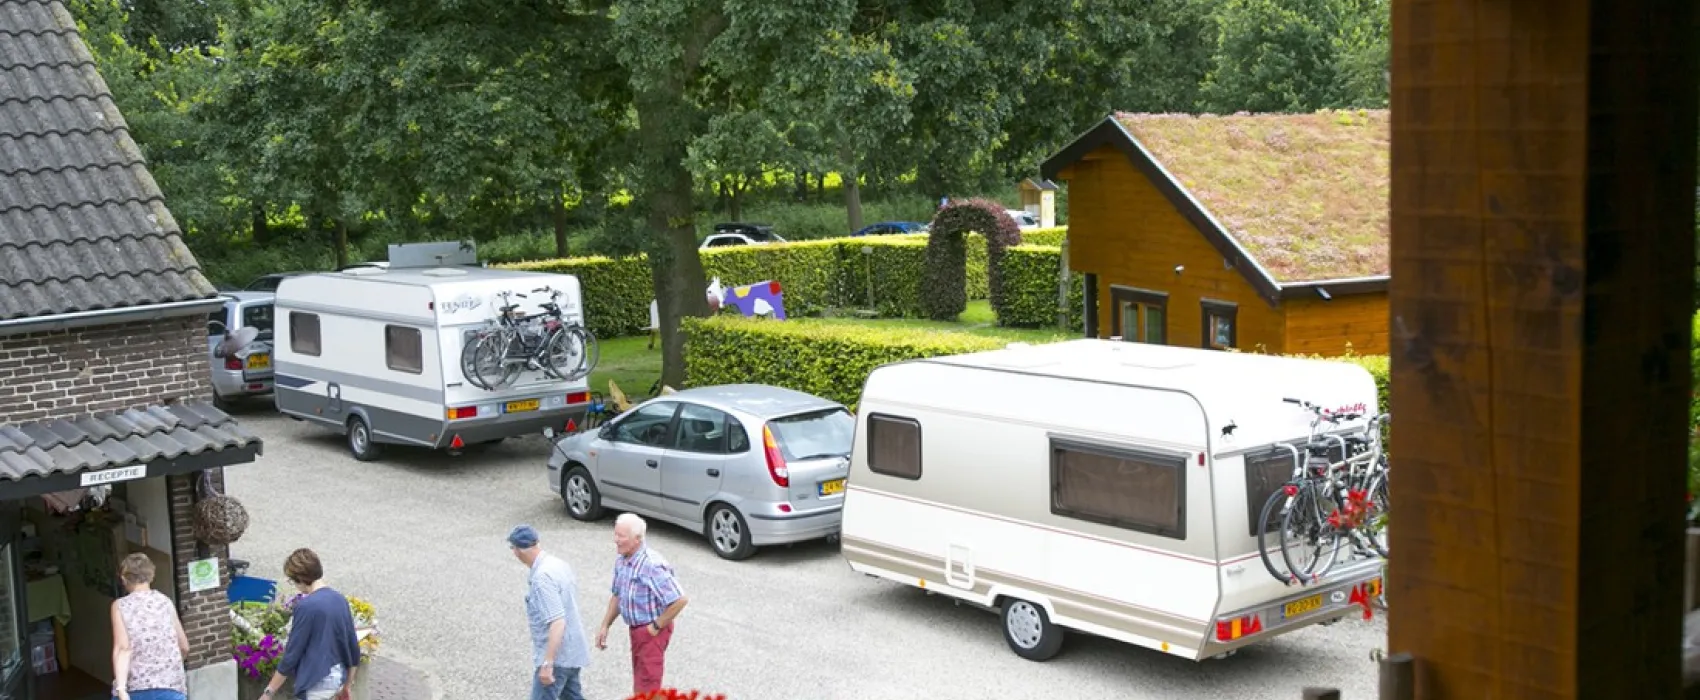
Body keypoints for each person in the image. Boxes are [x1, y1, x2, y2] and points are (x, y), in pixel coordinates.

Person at [595, 514, 689, 695]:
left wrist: (655, 627)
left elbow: (680, 599)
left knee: (647, 686)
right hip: (637, 630)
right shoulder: (622, 559)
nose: (615, 540)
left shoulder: (651, 565)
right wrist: (605, 625)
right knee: (642, 682)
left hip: (650, 631)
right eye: (615, 534)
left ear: (637, 539)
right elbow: (617, 594)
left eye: (621, 536)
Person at [260, 549, 361, 700]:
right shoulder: (340, 600)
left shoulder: (306, 606)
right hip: (337, 679)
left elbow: (292, 654)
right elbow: (353, 648)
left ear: (300, 577)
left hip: (315, 684)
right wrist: (347, 686)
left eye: (293, 580)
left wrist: (268, 693)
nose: (294, 585)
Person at [508, 524, 591, 700]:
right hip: (573, 651)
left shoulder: (541, 578)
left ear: (517, 551)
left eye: (513, 548)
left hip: (558, 658)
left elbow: (557, 622)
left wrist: (548, 663)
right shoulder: (558, 564)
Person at [110, 553, 189, 700]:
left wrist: (121, 689)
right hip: (170, 687)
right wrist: (169, 670)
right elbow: (184, 646)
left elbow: (123, 648)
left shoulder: (120, 606)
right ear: (151, 576)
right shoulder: (166, 602)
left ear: (123, 579)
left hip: (135, 689)